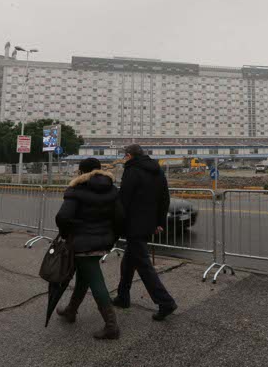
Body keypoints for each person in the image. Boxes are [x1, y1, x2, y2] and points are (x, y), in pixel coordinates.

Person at [55, 157, 121, 340]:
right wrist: (112, 238)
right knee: (85, 275)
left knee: (95, 279)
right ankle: (71, 310)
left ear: (81, 171)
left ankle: (111, 326)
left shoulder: (76, 190)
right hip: (103, 241)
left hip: (82, 242)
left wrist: (67, 234)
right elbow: (120, 218)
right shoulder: (112, 190)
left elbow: (62, 217)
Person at [113, 144, 178, 321]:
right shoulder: (156, 170)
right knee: (129, 261)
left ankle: (165, 302)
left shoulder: (131, 170)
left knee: (143, 266)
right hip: (148, 224)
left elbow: (124, 199)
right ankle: (123, 297)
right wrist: (159, 221)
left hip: (133, 224)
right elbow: (165, 197)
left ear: (129, 155)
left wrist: (117, 223)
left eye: (125, 156)